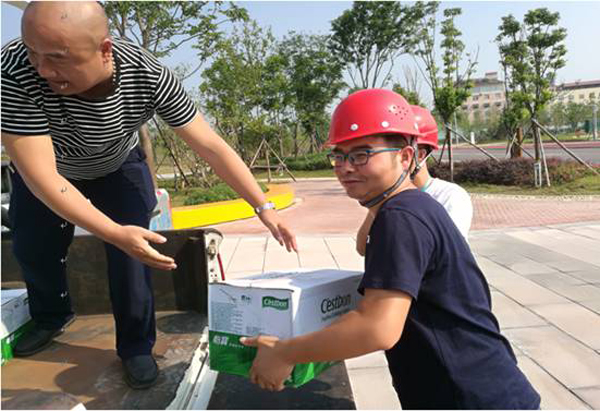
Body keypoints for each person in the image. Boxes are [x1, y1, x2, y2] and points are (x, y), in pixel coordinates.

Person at [1, 1, 297, 389]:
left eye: (57, 57)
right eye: (33, 53)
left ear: (104, 49)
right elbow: (41, 177)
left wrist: (263, 206)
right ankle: (50, 315)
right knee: (33, 246)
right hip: (51, 169)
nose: (42, 69)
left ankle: (136, 346)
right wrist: (111, 231)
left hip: (118, 167)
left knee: (133, 254)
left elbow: (210, 146)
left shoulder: (147, 74)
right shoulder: (12, 70)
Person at [240, 89, 540, 409]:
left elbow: (378, 327)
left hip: (470, 398)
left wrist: (286, 352)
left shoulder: (400, 217)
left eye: (361, 154)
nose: (345, 167)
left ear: (406, 157)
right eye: (339, 155)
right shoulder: (410, 207)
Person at [356, 104, 472, 256]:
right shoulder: (387, 196)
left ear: (420, 155)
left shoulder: (450, 196)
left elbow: (441, 252)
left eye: (399, 153)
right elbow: (362, 248)